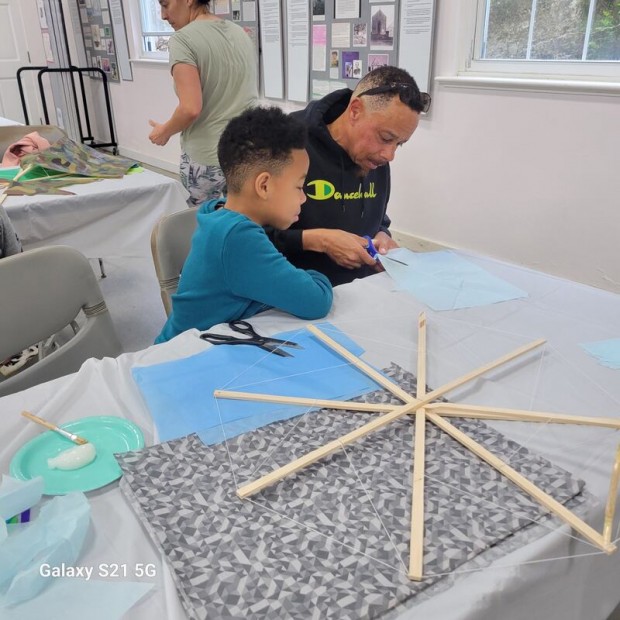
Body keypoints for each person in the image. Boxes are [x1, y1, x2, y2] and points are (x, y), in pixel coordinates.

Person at [155, 106, 333, 343]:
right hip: (181, 355)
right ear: (264, 186)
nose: (304, 198)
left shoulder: (218, 212)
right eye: (299, 187)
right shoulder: (237, 237)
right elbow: (316, 301)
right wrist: (318, 275)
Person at [269, 65, 430, 286]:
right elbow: (243, 235)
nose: (390, 155)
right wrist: (318, 241)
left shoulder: (373, 156)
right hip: (294, 292)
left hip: (357, 292)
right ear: (355, 111)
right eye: (385, 138)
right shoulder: (285, 141)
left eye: (399, 144)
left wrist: (382, 235)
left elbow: (377, 217)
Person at [148, 0, 258, 208]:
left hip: (207, 158)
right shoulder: (240, 33)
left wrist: (164, 131)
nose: (163, 15)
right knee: (241, 220)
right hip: (247, 153)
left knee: (203, 222)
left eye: (166, 5)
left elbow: (190, 108)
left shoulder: (183, 40)